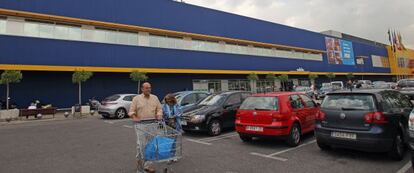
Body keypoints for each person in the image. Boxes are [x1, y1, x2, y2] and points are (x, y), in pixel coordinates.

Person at [129, 82, 163, 173]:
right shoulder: (136, 99)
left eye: (150, 88)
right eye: (147, 88)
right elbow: (131, 111)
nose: (149, 89)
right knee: (141, 146)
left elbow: (159, 108)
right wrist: (134, 117)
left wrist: (159, 115)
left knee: (151, 146)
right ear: (142, 89)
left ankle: (147, 166)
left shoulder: (155, 98)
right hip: (141, 125)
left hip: (153, 124)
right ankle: (139, 168)